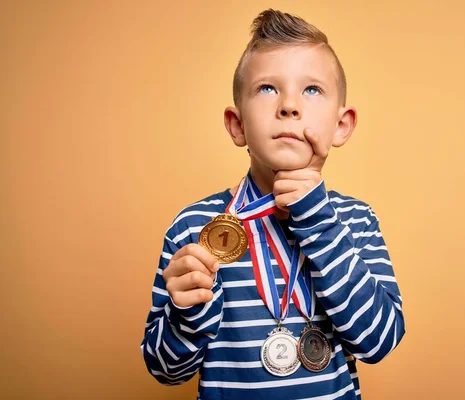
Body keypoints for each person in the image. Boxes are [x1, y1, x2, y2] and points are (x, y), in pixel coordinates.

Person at [141, 8, 405, 399]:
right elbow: (165, 370)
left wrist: (319, 222)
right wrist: (187, 314)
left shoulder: (355, 220)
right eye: (267, 88)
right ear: (237, 125)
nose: (289, 106)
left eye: (311, 89)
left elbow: (379, 342)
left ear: (341, 125)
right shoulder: (194, 226)